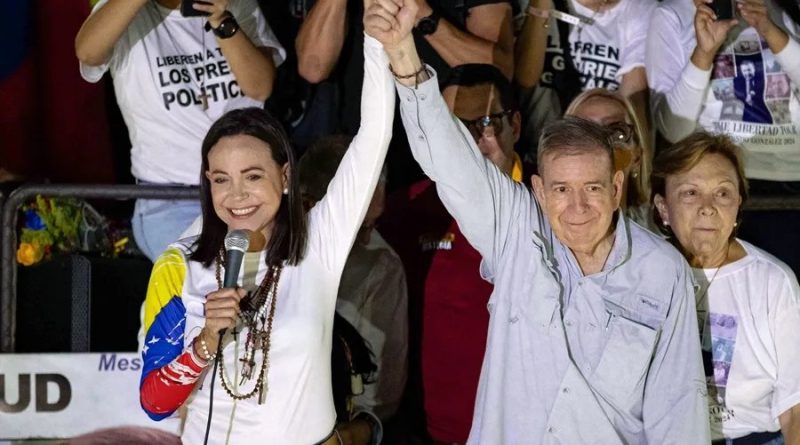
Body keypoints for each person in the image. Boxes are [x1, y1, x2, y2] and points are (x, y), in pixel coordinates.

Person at [373, 0, 710, 442]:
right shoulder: (516, 232)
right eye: (561, 189)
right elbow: (448, 157)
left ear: (615, 188)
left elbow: (680, 410)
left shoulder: (662, 270)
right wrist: (402, 52)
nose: (577, 207)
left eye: (592, 188)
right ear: (538, 190)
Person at [136, 10, 395, 442]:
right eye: (221, 180)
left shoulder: (319, 242)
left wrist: (377, 38)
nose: (237, 195)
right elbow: (154, 402)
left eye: (253, 176)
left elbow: (374, 136)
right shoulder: (180, 264)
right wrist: (205, 342)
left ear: (286, 176)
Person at [380, 62, 527, 445]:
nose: (472, 140)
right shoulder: (404, 212)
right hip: (429, 433)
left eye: (486, 122)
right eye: (455, 127)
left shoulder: (553, 205)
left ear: (515, 126)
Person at [75, 0, 284, 261]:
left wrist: (221, 20)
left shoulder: (235, 4)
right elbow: (87, 52)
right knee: (209, 277)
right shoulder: (128, 13)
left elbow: (260, 87)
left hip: (246, 192)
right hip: (171, 200)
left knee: (272, 277)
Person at [651, 131, 800, 444]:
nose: (707, 207)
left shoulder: (773, 282)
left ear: (737, 206)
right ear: (663, 208)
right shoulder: (643, 273)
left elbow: (794, 407)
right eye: (690, 193)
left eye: (722, 193)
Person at [646, 0, 800, 274]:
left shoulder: (784, 8)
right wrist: (704, 53)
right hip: (714, 186)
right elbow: (672, 129)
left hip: (792, 177)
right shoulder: (672, 15)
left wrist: (771, 30)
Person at [297, 135, 409, 445]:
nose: (367, 239)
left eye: (375, 223)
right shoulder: (260, 249)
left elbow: (377, 398)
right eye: (359, 226)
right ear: (307, 205)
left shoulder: (381, 266)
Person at [514, 0, 655, 164]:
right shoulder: (534, 3)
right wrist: (540, 8)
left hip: (603, 160)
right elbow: (525, 78)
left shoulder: (639, 10)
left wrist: (637, 168)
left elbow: (632, 108)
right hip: (535, 155)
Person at [564, 88, 654, 230]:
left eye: (617, 132)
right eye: (583, 132)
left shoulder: (660, 231)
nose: (600, 143)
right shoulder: (536, 226)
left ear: (636, 158)